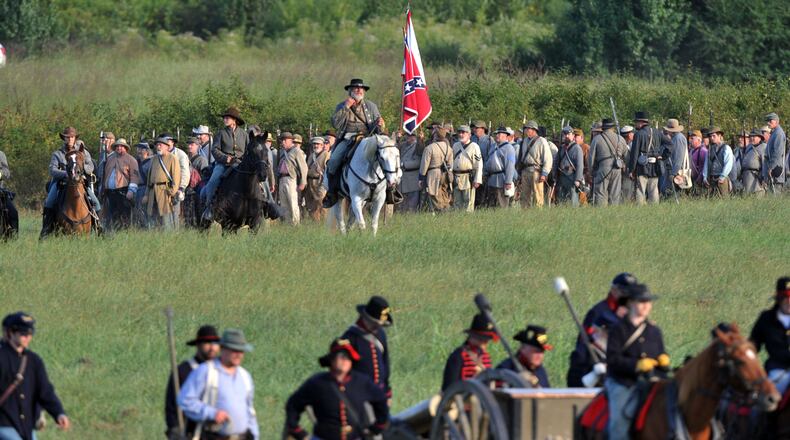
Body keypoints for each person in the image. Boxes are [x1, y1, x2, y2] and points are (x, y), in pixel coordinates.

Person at [284, 339, 389, 439]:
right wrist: (298, 432)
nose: (345, 361)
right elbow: (293, 405)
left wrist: (377, 427)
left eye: (348, 357)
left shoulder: (362, 382)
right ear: (332, 359)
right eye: (341, 356)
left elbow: (380, 401)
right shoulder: (317, 383)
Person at [605, 283, 670, 440]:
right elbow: (612, 360)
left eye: (648, 302)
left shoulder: (654, 331)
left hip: (652, 382)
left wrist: (664, 361)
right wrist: (636, 365)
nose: (646, 306)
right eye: (642, 301)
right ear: (631, 303)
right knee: (619, 423)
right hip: (623, 383)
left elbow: (660, 353)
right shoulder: (618, 329)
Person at [0, 312, 71, 440]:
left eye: (29, 334)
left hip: (26, 428)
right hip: (3, 424)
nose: (27, 337)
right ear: (10, 333)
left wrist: (59, 413)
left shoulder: (34, 361)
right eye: (23, 334)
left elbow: (45, 391)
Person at [178, 329, 259, 440]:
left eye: (241, 351)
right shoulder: (205, 371)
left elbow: (250, 411)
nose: (239, 354)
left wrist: (255, 435)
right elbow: (185, 400)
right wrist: (212, 413)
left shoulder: (245, 376)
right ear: (223, 349)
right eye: (234, 350)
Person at [567, 273, 637, 387]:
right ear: (614, 290)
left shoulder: (631, 315)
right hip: (593, 371)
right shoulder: (598, 312)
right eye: (625, 293)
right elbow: (584, 345)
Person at [324, 79, 384, 208]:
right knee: (333, 161)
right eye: (355, 88)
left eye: (361, 88)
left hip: (368, 139)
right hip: (348, 138)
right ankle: (332, 192)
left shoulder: (371, 106)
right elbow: (336, 123)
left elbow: (379, 128)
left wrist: (380, 123)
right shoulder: (342, 105)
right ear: (350, 91)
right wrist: (346, 107)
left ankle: (390, 190)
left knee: (385, 156)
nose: (359, 90)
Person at [40, 127, 101, 239]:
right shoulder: (57, 154)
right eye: (67, 137)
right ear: (64, 138)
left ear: (75, 138)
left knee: (96, 202)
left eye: (72, 137)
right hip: (61, 183)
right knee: (49, 202)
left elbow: (90, 165)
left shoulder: (82, 152)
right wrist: (67, 174)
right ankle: (46, 229)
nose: (70, 139)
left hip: (80, 182)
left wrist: (81, 171)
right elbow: (52, 170)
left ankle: (99, 228)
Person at [164, 325, 221, 440]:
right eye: (207, 343)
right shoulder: (183, 371)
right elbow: (171, 407)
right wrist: (175, 430)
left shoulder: (222, 372)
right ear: (198, 345)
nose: (212, 347)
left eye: (215, 343)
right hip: (189, 432)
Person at [340, 296, 393, 401]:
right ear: (366, 318)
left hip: (379, 394)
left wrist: (387, 393)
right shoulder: (349, 338)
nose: (378, 327)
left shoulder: (381, 334)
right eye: (375, 324)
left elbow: (385, 364)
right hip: (358, 396)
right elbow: (341, 372)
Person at [202, 107, 249, 221]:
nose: (225, 119)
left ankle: (268, 204)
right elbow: (215, 150)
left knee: (259, 180)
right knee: (213, 180)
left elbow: (248, 151)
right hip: (223, 164)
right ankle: (209, 208)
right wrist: (225, 158)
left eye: (227, 117)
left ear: (235, 120)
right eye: (224, 117)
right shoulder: (221, 133)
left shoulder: (244, 134)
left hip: (240, 164)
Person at [749, 277, 790, 397]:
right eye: (785, 298)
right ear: (778, 299)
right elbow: (754, 344)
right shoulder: (766, 319)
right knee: (769, 397)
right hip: (778, 370)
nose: (789, 302)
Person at [442, 313, 499, 391]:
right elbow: (449, 388)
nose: (484, 342)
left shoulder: (485, 356)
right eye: (481, 339)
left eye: (486, 340)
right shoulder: (458, 356)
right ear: (472, 335)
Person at [101, 138, 141, 231]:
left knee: (124, 217)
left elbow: (134, 177)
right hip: (110, 193)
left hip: (124, 192)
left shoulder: (131, 160)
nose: (119, 148)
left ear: (125, 148)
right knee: (112, 217)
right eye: (117, 146)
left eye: (121, 146)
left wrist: (131, 191)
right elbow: (105, 175)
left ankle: (125, 235)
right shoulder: (110, 159)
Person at [143, 137, 181, 230]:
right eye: (157, 145)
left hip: (165, 192)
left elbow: (176, 177)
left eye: (161, 145)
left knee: (166, 220)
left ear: (167, 147)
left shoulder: (173, 158)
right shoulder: (154, 159)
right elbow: (149, 178)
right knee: (152, 219)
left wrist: (172, 192)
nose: (158, 147)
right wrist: (146, 194)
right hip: (153, 192)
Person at [588, 119, 628, 206]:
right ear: (613, 128)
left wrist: (591, 172)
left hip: (603, 168)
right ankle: (613, 213)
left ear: (603, 128)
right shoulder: (620, 138)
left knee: (600, 193)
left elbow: (591, 158)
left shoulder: (597, 139)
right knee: (615, 194)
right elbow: (627, 156)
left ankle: (601, 213)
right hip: (617, 168)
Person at [628, 112, 663, 204]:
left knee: (640, 189)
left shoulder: (638, 134)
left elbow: (634, 153)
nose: (635, 124)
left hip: (642, 166)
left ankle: (639, 209)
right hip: (655, 166)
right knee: (654, 189)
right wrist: (662, 156)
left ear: (640, 122)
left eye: (636, 122)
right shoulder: (657, 132)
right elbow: (669, 144)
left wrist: (631, 169)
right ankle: (654, 209)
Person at [517, 121, 553, 209]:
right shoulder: (524, 141)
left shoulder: (542, 141)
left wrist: (544, 173)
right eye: (526, 129)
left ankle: (538, 216)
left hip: (536, 171)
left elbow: (548, 159)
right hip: (525, 170)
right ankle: (525, 215)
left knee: (538, 197)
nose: (526, 131)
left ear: (534, 130)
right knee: (524, 196)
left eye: (528, 129)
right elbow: (521, 157)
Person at [419, 125, 454, 212]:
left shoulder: (430, 148)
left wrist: (421, 178)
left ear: (435, 135)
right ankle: (446, 211)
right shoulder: (449, 148)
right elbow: (450, 164)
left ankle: (441, 214)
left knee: (435, 196)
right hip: (446, 175)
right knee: (445, 195)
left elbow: (424, 165)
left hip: (433, 174)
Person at [276, 132, 307, 225]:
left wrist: (303, 182)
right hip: (282, 178)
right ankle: (287, 224)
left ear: (291, 141)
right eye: (282, 140)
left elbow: (303, 167)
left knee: (293, 204)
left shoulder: (297, 151)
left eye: (285, 140)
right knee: (284, 204)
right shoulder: (282, 152)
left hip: (291, 179)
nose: (283, 142)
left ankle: (295, 224)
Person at [451, 125, 483, 212]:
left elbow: (479, 164)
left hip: (468, 177)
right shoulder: (455, 145)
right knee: (457, 202)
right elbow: (451, 161)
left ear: (469, 135)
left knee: (468, 202)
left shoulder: (474, 146)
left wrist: (477, 179)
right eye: (460, 132)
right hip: (456, 177)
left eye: (464, 133)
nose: (461, 135)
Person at [484, 127, 517, 208]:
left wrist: (508, 181)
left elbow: (510, 166)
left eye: (499, 134)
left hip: (502, 180)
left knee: (501, 204)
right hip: (491, 179)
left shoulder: (509, 148)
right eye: (497, 134)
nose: (497, 136)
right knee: (491, 205)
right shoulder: (493, 146)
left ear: (506, 136)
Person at [555, 126, 584, 206]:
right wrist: (555, 176)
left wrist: (578, 179)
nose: (566, 136)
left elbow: (580, 165)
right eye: (565, 135)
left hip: (572, 178)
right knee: (561, 201)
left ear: (573, 136)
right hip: (562, 177)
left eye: (568, 134)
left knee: (573, 201)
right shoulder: (561, 148)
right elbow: (556, 163)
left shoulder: (577, 148)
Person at [702, 126, 734, 198]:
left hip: (722, 179)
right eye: (710, 136)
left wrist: (722, 176)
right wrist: (705, 177)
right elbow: (706, 164)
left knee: (724, 199)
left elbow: (728, 164)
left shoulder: (726, 148)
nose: (712, 138)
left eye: (714, 136)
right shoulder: (710, 150)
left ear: (720, 136)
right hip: (712, 178)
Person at [303, 137, 329, 222]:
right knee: (310, 205)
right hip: (310, 182)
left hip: (320, 182)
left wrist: (324, 185)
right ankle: (315, 224)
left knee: (321, 204)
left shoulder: (326, 154)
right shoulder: (311, 155)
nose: (316, 145)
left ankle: (324, 224)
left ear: (322, 145)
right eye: (314, 144)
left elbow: (328, 171)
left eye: (318, 144)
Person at [663, 118, 689, 196]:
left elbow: (678, 157)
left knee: (674, 194)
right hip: (675, 170)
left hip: (677, 171)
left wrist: (673, 173)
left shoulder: (678, 138)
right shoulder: (676, 138)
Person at [397, 133, 422, 212]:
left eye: (411, 135)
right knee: (401, 205)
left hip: (412, 178)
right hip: (402, 178)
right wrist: (398, 139)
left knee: (412, 205)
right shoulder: (403, 145)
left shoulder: (419, 146)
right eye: (407, 135)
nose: (409, 137)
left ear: (415, 136)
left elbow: (418, 162)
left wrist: (404, 164)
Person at [763, 112, 786, 192]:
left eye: (770, 121)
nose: (768, 123)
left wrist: (771, 167)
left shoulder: (778, 133)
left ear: (776, 121)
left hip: (776, 170)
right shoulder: (774, 133)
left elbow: (777, 153)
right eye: (768, 121)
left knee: (775, 197)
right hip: (772, 169)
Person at [741, 129, 766, 196]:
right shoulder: (749, 146)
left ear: (760, 137)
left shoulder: (763, 147)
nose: (751, 138)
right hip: (746, 175)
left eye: (754, 136)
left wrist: (763, 177)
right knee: (746, 195)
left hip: (756, 175)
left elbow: (764, 163)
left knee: (757, 194)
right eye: (750, 136)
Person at [0, 148, 19, 237]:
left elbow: (7, 173)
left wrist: (0, 174)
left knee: (13, 212)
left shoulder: (1, 154)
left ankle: (13, 235)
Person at [689, 130, 708, 195]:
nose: (690, 140)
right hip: (692, 181)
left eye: (692, 138)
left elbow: (704, 168)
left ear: (699, 140)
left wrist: (699, 180)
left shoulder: (703, 151)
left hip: (699, 183)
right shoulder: (691, 150)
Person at [620, 126, 635, 202]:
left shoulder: (631, 144)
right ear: (629, 135)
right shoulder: (622, 145)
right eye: (632, 133)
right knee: (625, 193)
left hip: (630, 172)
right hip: (624, 172)